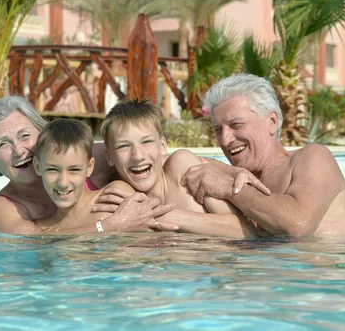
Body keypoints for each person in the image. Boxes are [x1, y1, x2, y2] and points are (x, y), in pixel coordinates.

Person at [180, 73, 345, 237]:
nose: (225, 139)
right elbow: (182, 164)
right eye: (218, 129)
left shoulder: (313, 158)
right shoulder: (236, 175)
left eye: (236, 125)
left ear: (272, 122)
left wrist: (229, 188)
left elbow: (298, 225)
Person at [0, 96, 176, 235]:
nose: (19, 150)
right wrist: (111, 226)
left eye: (25, 136)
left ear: (42, 134)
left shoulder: (90, 156)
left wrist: (205, 168)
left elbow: (149, 158)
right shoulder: (3, 208)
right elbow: (37, 243)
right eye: (4, 144)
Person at [94, 99, 256, 239]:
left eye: (147, 142)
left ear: (163, 146)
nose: (137, 156)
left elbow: (247, 231)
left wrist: (159, 214)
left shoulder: (182, 168)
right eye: (123, 146)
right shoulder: (118, 197)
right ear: (109, 157)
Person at [33, 118, 168, 234]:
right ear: (38, 167)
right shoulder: (40, 228)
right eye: (52, 169)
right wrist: (105, 227)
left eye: (74, 170)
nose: (63, 182)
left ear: (90, 167)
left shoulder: (112, 198)